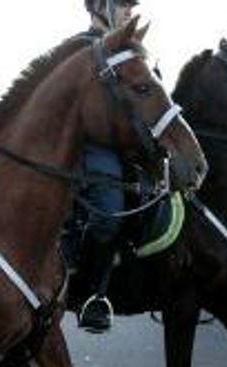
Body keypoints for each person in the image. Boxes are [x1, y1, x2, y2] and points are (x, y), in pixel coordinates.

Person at [73, 0, 139, 333]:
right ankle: (90, 294)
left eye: (131, 5)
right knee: (109, 214)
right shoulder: (79, 50)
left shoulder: (131, 48)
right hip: (95, 148)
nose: (129, 10)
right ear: (99, 7)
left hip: (133, 148)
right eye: (123, 4)